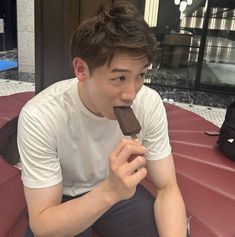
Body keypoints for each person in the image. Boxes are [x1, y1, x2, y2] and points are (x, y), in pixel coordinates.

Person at [18, 1, 188, 237]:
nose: (131, 93)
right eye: (119, 78)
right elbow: (42, 224)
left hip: (120, 192)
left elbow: (168, 187)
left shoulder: (148, 103)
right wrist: (110, 191)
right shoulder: (40, 116)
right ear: (81, 70)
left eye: (140, 75)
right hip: (63, 198)